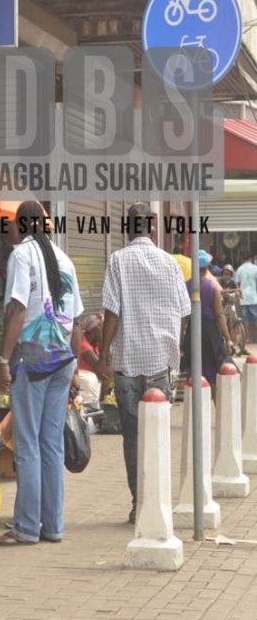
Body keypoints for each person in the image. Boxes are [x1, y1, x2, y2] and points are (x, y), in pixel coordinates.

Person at [0, 200, 83, 547]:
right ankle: (53, 525)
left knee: (27, 444)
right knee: (51, 444)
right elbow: (75, 319)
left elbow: (17, 308)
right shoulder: (65, 259)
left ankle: (28, 527)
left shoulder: (21, 255)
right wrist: (74, 364)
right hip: (63, 360)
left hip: (33, 361)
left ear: (19, 226)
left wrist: (2, 359)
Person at [98, 203, 190, 525]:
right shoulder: (169, 263)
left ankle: (139, 504)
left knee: (133, 438)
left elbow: (112, 312)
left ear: (127, 228)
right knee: (159, 434)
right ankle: (159, 501)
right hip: (160, 365)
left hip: (127, 363)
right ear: (151, 229)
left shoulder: (118, 260)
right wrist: (174, 351)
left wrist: (103, 356)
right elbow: (182, 311)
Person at [181, 250, 234, 390]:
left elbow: (183, 317)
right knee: (213, 373)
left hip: (192, 331)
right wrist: (228, 338)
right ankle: (214, 405)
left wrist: (181, 340)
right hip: (210, 333)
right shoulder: (213, 286)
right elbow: (219, 315)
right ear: (207, 268)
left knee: (193, 372)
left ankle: (195, 406)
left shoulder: (186, 285)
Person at [76, 313, 104, 404]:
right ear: (94, 329)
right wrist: (102, 340)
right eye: (102, 329)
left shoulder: (94, 344)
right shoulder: (84, 345)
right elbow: (102, 369)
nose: (104, 331)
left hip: (92, 382)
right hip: (85, 382)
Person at [235, 255, 257, 344]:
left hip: (243, 297)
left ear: (242, 258)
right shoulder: (255, 268)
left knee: (245, 320)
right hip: (253, 297)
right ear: (250, 258)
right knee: (256, 318)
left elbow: (237, 284)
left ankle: (247, 338)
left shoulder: (239, 269)